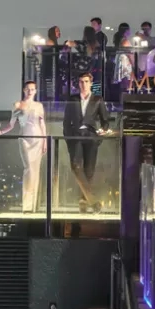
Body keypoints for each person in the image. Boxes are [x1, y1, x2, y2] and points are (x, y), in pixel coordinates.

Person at [0, 81, 46, 213]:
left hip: (38, 140)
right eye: (28, 89)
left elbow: (42, 124)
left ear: (35, 91)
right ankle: (27, 206)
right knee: (29, 170)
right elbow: (11, 125)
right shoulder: (17, 105)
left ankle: (33, 207)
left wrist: (45, 141)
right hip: (24, 139)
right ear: (24, 90)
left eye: (32, 89)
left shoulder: (39, 106)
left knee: (36, 172)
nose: (30, 91)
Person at [62, 72, 111, 213]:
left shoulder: (97, 99)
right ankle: (93, 201)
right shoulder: (73, 99)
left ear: (91, 83)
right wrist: (68, 137)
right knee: (76, 166)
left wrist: (102, 131)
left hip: (91, 136)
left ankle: (83, 200)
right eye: (81, 82)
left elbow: (105, 120)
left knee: (89, 169)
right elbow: (66, 121)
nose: (83, 84)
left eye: (86, 81)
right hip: (75, 136)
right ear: (78, 83)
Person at [110, 23, 134, 99]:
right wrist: (134, 64)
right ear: (126, 30)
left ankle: (122, 99)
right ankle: (125, 100)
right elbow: (129, 54)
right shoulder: (125, 41)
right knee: (126, 84)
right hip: (125, 64)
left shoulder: (120, 41)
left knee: (123, 85)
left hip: (121, 63)